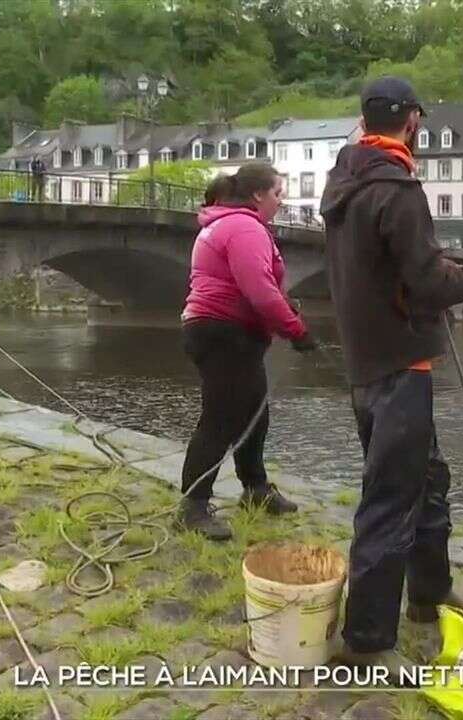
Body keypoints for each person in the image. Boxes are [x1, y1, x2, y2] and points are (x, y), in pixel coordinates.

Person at [320, 76, 463, 670]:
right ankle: (367, 642)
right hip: (398, 368)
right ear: (413, 121)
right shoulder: (396, 188)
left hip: (369, 364)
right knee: (390, 502)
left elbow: (393, 269)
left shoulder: (346, 181)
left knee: (429, 481)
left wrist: (436, 263)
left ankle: (428, 592)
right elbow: (430, 287)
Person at [178, 164, 317, 541]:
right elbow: (259, 289)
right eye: (277, 193)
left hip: (226, 332)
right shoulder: (243, 227)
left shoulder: (230, 224)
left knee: (254, 413)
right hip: (223, 332)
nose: (281, 199)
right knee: (220, 419)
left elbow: (261, 287)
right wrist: (296, 331)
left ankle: (255, 489)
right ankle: (192, 506)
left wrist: (285, 315)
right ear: (258, 195)